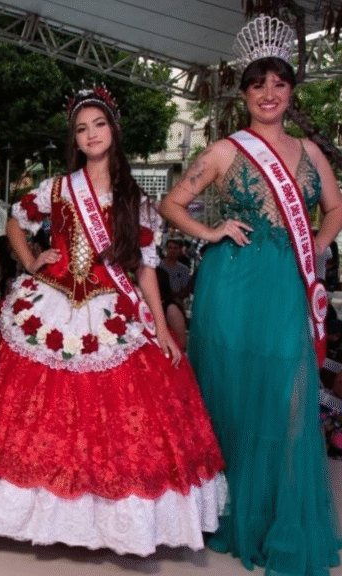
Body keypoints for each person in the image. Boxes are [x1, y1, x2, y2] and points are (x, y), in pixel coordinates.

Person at [0, 87, 226, 555]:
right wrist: (30, 261)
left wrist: (162, 330)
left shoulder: (136, 199)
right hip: (54, 296)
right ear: (75, 138)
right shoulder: (58, 188)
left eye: (99, 125)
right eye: (82, 128)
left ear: (114, 130)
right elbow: (13, 221)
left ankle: (115, 522)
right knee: (44, 406)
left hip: (112, 300)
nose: (91, 134)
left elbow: (146, 266)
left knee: (126, 408)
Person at [159, 15, 342, 575]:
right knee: (230, 391)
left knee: (287, 391)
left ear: (291, 92)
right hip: (231, 284)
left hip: (288, 282)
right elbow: (170, 204)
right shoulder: (222, 151)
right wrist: (210, 232)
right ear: (244, 95)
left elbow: (335, 207)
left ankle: (276, 518)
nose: (269, 94)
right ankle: (228, 511)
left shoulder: (311, 153)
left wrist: (318, 240)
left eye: (279, 84)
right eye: (258, 85)